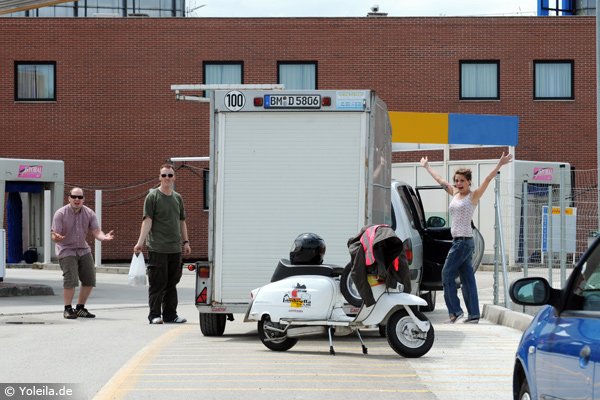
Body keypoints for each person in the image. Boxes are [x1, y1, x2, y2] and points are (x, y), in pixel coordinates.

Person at [420, 153, 513, 323]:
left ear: (469, 181)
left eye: (462, 180)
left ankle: (455, 312)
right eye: (457, 180)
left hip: (463, 242)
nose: (458, 183)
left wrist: (499, 165)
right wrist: (427, 167)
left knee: (446, 274)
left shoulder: (473, 196)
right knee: (467, 279)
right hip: (459, 241)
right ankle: (474, 315)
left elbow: (488, 179)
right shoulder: (455, 193)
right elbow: (440, 180)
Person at [134, 164, 191, 324]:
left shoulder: (177, 198)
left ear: (174, 178)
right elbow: (147, 220)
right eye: (164, 175)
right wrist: (140, 242)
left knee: (172, 284)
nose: (167, 178)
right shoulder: (152, 197)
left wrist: (186, 242)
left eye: (170, 175)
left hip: (175, 248)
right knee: (157, 284)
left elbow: (182, 221)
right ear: (159, 177)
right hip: (157, 247)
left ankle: (170, 315)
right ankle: (154, 315)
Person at [51, 187, 114, 319]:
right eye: (74, 197)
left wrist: (104, 237)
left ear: (83, 199)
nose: (77, 199)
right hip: (66, 249)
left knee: (89, 279)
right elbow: (54, 235)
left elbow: (96, 231)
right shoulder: (60, 213)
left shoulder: (89, 213)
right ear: (69, 198)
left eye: (80, 197)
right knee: (71, 280)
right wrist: (56, 237)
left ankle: (80, 308)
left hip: (83, 249)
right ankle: (68, 309)